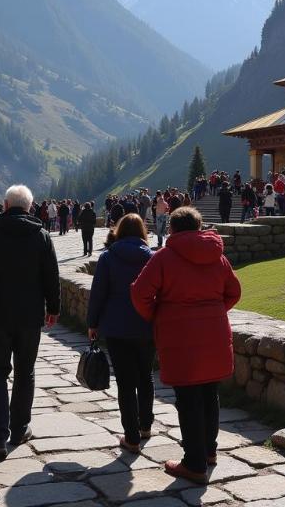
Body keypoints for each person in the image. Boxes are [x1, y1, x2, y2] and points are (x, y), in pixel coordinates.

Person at [131, 207, 241, 485]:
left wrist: (157, 315)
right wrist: (214, 311)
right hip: (214, 334)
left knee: (188, 398)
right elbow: (234, 292)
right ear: (199, 226)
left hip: (180, 337)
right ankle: (209, 451)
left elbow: (140, 293)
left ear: (172, 229)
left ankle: (194, 464)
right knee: (209, 394)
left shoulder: (165, 257)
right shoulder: (218, 256)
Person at [0, 184, 60, 459]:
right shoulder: (40, 236)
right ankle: (19, 429)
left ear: (5, 206)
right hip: (30, 317)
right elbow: (51, 275)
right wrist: (53, 307)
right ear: (30, 207)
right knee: (24, 372)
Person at [87, 214, 155, 454]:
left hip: (116, 328)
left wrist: (92, 322)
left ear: (119, 231)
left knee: (126, 382)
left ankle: (131, 436)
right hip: (146, 326)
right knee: (145, 376)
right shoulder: (151, 258)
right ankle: (146, 425)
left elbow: (98, 294)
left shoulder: (108, 258)